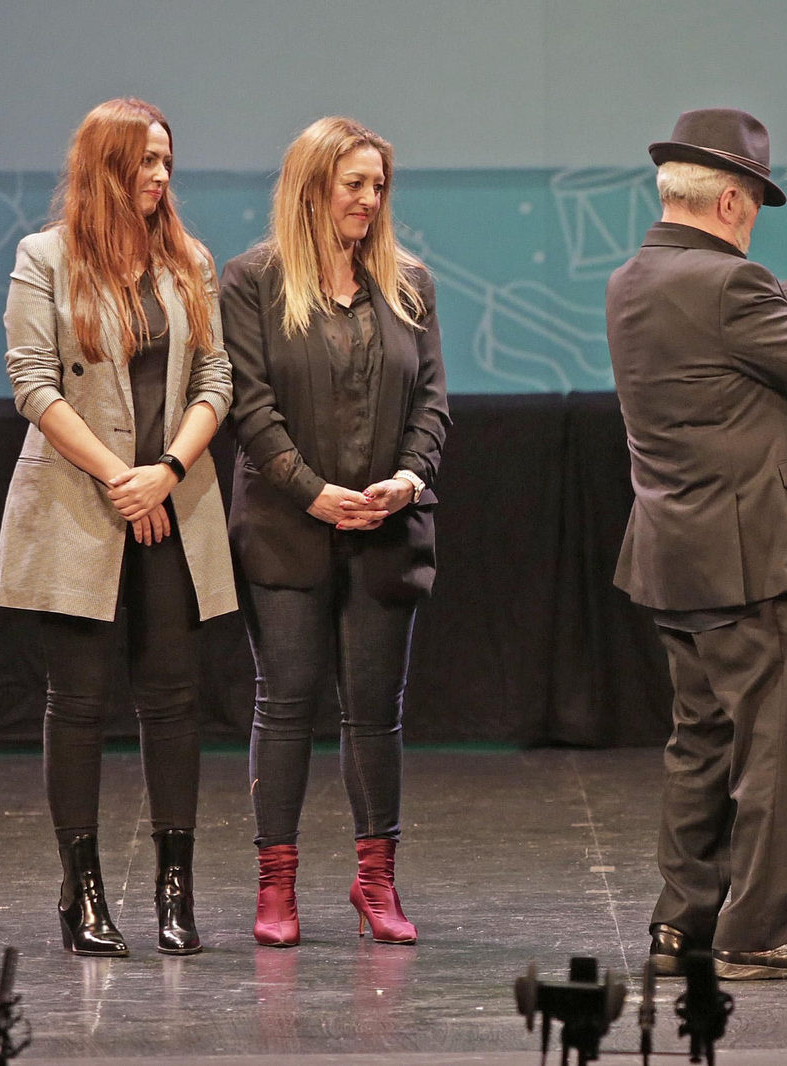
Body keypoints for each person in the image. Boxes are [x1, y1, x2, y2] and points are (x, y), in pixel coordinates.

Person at [608, 108, 787, 980]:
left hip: (678, 556)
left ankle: (681, 925)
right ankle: (757, 927)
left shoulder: (634, 280)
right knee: (777, 750)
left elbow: (723, 338)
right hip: (761, 558)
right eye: (755, 205)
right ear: (730, 200)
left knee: (701, 745)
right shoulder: (729, 286)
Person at [0, 97, 235, 957]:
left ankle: (176, 889)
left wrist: (164, 473)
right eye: (144, 162)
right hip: (79, 503)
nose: (160, 177)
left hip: (172, 503)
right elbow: (33, 383)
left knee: (173, 700)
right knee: (81, 703)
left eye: (167, 161)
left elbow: (215, 381)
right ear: (105, 168)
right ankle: (82, 892)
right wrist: (119, 480)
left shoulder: (189, 262)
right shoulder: (44, 258)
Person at [221, 117, 448, 949]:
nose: (368, 199)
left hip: (387, 529)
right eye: (354, 184)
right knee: (284, 703)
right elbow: (250, 406)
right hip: (288, 528)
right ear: (313, 186)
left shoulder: (409, 283)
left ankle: (376, 881)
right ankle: (276, 886)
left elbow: (432, 402)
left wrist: (410, 480)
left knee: (375, 713)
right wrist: (313, 493)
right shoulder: (251, 281)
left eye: (378, 185)